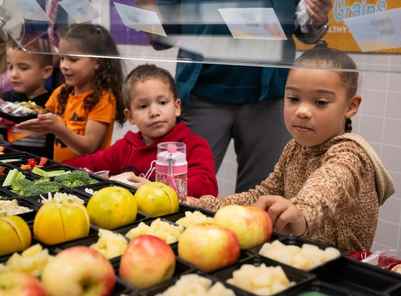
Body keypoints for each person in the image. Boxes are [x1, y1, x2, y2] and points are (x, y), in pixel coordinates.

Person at [187, 42, 395, 252]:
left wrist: (301, 212)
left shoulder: (352, 154)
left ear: (351, 106)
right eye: (293, 99)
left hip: (342, 270)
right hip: (300, 259)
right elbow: (260, 196)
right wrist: (202, 206)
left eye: (321, 102)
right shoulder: (294, 148)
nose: (302, 111)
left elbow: (327, 186)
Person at [134, 0, 333, 193]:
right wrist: (144, 6)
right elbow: (161, 37)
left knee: (262, 201)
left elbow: (307, 32)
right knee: (178, 192)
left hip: (270, 96)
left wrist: (317, 17)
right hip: (200, 95)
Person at [65, 64, 218, 198]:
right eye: (143, 106)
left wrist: (154, 188)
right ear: (130, 116)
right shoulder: (126, 147)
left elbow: (208, 188)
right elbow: (92, 163)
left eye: (162, 102)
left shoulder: (194, 146)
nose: (154, 112)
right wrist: (54, 167)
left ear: (177, 107)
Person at [15, 24, 125, 162]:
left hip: (89, 174)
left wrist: (57, 128)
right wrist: (7, 114)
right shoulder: (60, 92)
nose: (63, 66)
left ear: (97, 62)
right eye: (62, 58)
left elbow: (89, 147)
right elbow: (39, 131)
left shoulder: (104, 99)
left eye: (73, 59)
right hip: (61, 170)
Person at [0, 39, 55, 158]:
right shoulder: (5, 99)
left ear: (46, 71)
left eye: (23, 68)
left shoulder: (55, 100)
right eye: (10, 67)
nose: (13, 74)